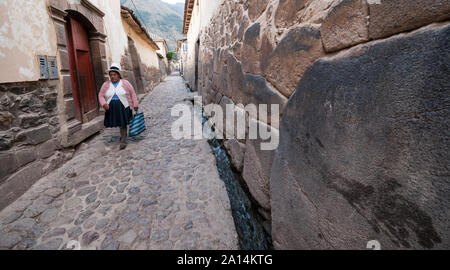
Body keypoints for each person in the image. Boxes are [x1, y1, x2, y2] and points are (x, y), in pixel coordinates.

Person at [98, 64, 139, 150]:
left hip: (124, 106)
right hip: (111, 107)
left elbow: (132, 93)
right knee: (117, 122)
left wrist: (135, 104)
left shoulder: (125, 83)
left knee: (122, 123)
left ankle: (123, 140)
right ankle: (122, 135)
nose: (112, 77)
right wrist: (104, 104)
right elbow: (101, 95)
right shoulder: (106, 84)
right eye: (111, 75)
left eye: (114, 75)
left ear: (119, 75)